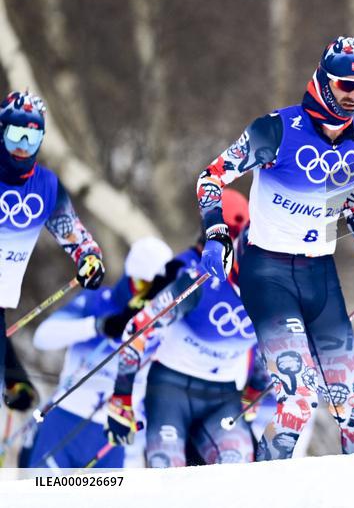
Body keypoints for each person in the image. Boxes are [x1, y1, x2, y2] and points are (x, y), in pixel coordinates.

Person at [194, 36, 354, 460]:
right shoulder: (275, 129)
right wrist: (216, 233)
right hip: (267, 272)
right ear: (324, 81)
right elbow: (210, 178)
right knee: (299, 399)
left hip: (319, 274)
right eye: (346, 84)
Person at [106, 194, 269, 467]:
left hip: (223, 396)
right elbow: (137, 328)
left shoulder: (276, 299)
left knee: (238, 474)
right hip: (170, 391)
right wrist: (121, 398)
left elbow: (270, 349)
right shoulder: (196, 277)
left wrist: (255, 390)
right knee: (169, 477)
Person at [29, 237, 173, 469]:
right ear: (129, 277)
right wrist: (97, 326)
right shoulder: (96, 301)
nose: (144, 296)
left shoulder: (164, 322)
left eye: (153, 289)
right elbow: (42, 337)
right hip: (66, 416)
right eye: (140, 285)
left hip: (112, 434)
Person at [0, 90, 105, 385]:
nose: (23, 146)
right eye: (16, 134)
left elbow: (71, 230)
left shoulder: (46, 186)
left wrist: (90, 258)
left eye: (31, 138)